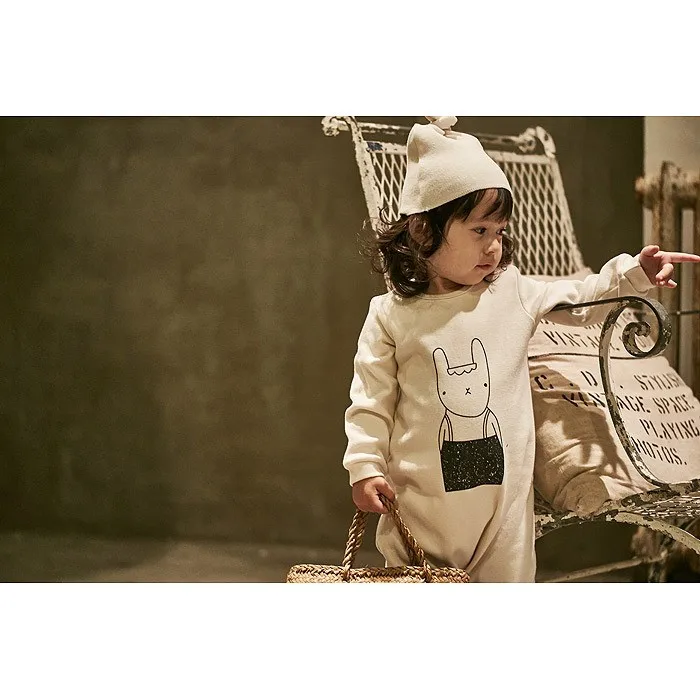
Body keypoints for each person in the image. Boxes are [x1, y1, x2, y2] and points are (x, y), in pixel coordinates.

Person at [342, 115, 700, 582]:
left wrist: (634, 274)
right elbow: (370, 400)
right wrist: (365, 466)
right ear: (423, 231)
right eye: (479, 231)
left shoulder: (510, 292)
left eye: (499, 232)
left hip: (505, 513)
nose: (493, 247)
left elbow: (583, 302)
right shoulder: (391, 315)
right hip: (419, 508)